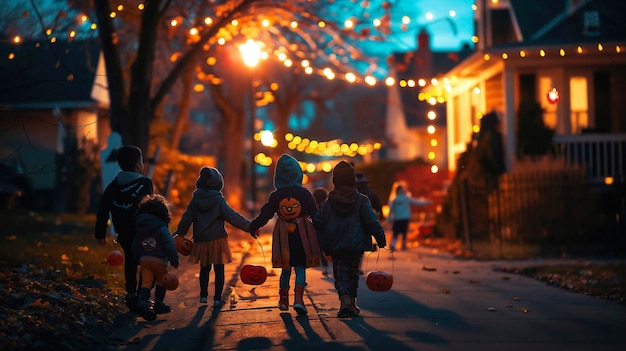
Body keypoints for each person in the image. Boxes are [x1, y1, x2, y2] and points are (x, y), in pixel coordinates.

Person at [313, 161, 386, 318]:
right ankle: (351, 303)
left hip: (336, 245)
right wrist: (380, 238)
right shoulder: (362, 200)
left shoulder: (329, 202)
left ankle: (346, 301)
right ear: (353, 180)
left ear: (334, 181)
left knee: (340, 275)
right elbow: (371, 221)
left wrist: (321, 238)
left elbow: (318, 221)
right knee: (353, 274)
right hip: (356, 244)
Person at [249, 153, 320, 315]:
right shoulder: (305, 194)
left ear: (278, 175)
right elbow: (316, 215)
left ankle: (283, 300)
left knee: (285, 269)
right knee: (300, 268)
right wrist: (323, 229)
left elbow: (265, 214)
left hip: (283, 238)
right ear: (298, 173)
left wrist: (254, 226)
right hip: (302, 236)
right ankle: (299, 300)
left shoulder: (276, 196)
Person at [175, 167, 252, 307]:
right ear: (218, 184)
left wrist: (179, 234)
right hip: (217, 240)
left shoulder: (195, 201)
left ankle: (203, 296)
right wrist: (249, 227)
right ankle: (217, 298)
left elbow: (186, 219)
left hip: (201, 240)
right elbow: (232, 217)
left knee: (204, 269)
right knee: (219, 270)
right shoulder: (218, 201)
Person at [94, 145, 154, 313]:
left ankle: (131, 294)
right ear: (138, 165)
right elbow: (150, 208)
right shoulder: (145, 183)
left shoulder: (113, 186)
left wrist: (100, 234)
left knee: (130, 261)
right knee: (147, 262)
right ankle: (143, 296)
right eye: (141, 160)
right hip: (143, 232)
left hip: (124, 233)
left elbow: (103, 209)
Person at [132, 194, 179, 321]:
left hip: (144, 260)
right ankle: (158, 304)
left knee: (146, 282)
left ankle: (142, 302)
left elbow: (135, 245)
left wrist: (138, 259)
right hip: (159, 261)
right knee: (161, 281)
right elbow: (169, 244)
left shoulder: (140, 227)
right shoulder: (161, 228)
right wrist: (174, 259)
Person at [387, 184, 432, 251]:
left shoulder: (394, 200)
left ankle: (393, 244)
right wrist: (426, 202)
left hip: (397, 218)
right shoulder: (406, 198)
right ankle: (404, 245)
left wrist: (389, 217)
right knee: (404, 232)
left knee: (395, 232)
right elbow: (416, 202)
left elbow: (391, 209)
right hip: (405, 217)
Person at [312, 187, 331, 276]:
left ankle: (325, 267)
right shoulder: (329, 205)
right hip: (330, 229)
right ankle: (333, 265)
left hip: (319, 231)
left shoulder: (314, 208)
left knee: (321, 248)